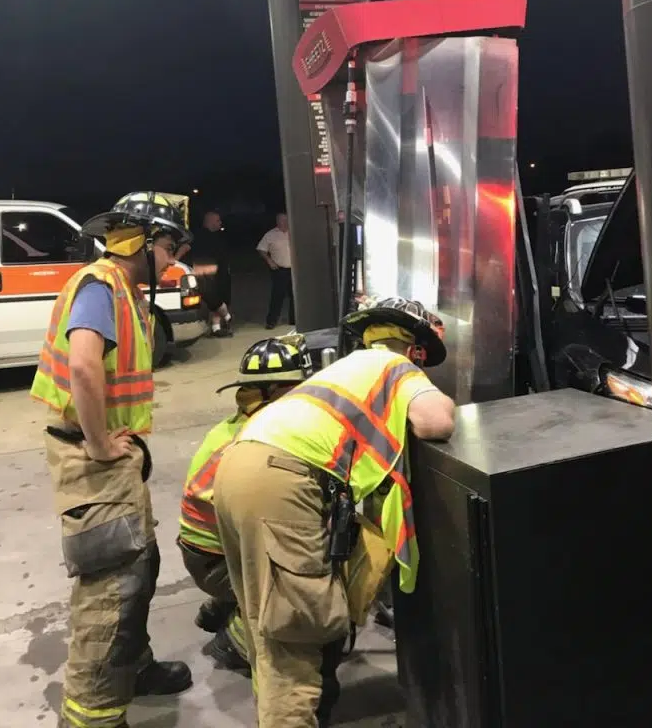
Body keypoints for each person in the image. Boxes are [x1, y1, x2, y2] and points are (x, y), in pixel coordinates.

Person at [214, 296, 456, 728]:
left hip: (239, 468)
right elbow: (435, 421)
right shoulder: (394, 366)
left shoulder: (346, 369)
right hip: (281, 481)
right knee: (296, 642)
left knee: (266, 630)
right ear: (414, 348)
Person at [30, 191, 194, 728]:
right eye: (168, 248)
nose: (172, 260)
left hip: (114, 457)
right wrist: (100, 444)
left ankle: (133, 667)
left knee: (139, 566)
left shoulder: (123, 291)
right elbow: (83, 367)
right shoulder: (101, 287)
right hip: (92, 458)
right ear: (140, 243)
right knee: (110, 591)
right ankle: (92, 715)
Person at [177, 334, 312, 672]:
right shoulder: (260, 439)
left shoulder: (235, 425)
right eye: (297, 389)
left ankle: (224, 604)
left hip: (205, 553)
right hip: (217, 562)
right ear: (273, 392)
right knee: (301, 580)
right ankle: (236, 639)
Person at [191, 209, 233, 336]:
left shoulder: (219, 236)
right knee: (214, 298)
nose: (220, 223)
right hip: (207, 272)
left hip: (221, 271)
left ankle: (216, 327)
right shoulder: (200, 237)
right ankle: (227, 316)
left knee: (221, 296)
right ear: (210, 222)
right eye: (218, 220)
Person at [257, 212, 294, 328]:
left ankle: (294, 320)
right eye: (282, 220)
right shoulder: (270, 235)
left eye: (286, 220)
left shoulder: (293, 232)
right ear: (277, 221)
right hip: (279, 270)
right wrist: (269, 261)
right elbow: (261, 249)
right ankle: (271, 321)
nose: (285, 222)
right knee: (277, 296)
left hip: (294, 270)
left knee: (295, 296)